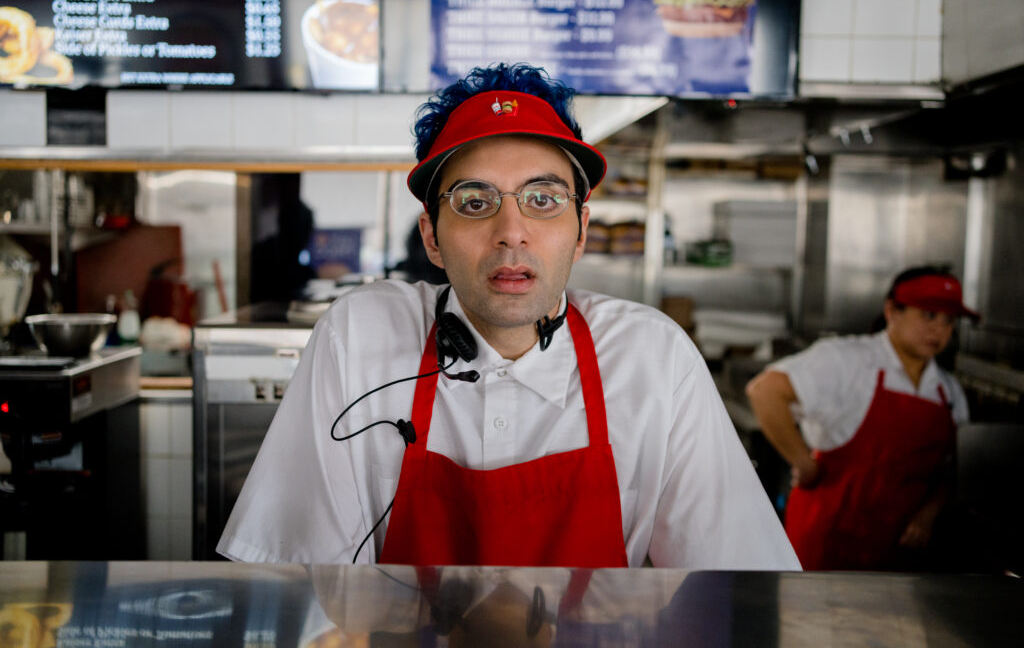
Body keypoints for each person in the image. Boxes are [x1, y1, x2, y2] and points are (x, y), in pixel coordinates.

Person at [218, 62, 798, 570]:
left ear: (580, 233)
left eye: (543, 199)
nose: (511, 232)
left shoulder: (652, 357)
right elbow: (302, 579)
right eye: (475, 202)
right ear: (433, 238)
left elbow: (733, 584)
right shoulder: (359, 339)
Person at [745, 266, 978, 571]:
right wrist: (803, 462)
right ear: (892, 310)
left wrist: (928, 515)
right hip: (828, 543)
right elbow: (765, 391)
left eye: (949, 321)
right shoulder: (847, 360)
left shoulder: (948, 391)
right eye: (928, 315)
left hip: (900, 553)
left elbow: (952, 469)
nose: (939, 329)